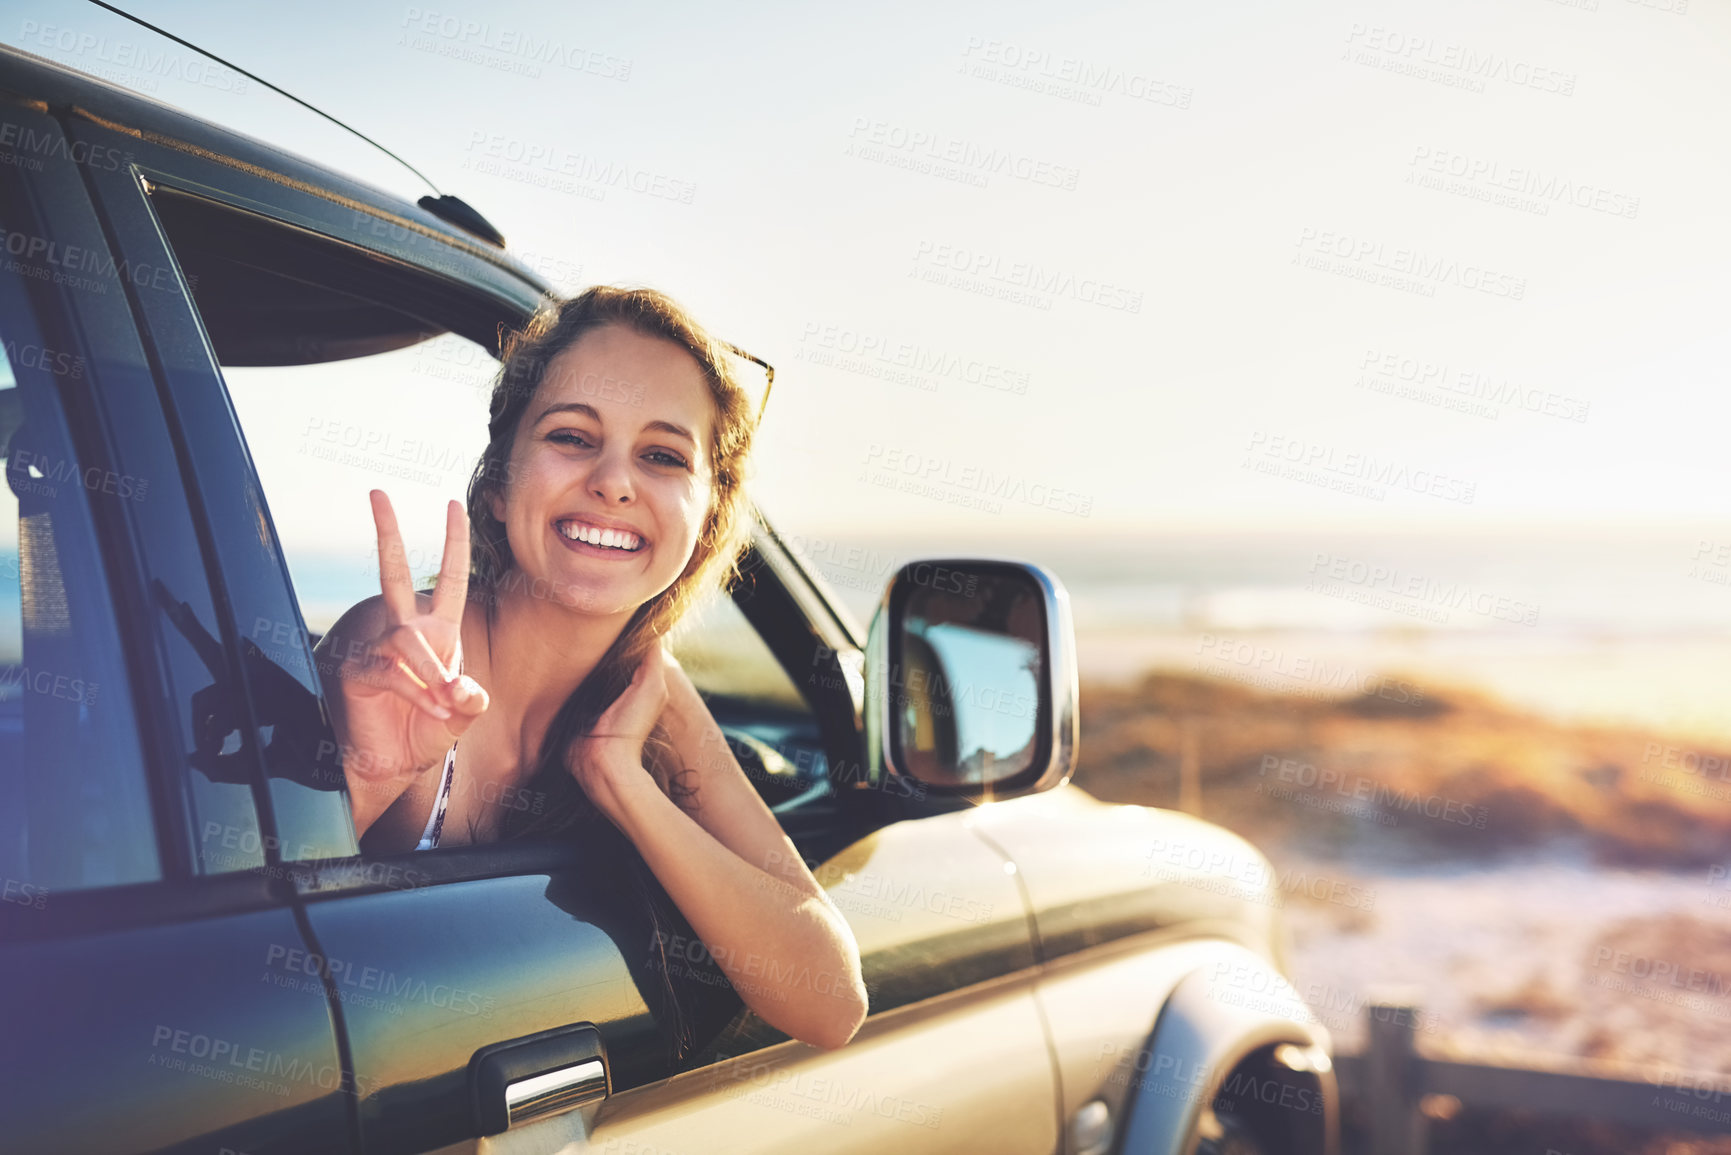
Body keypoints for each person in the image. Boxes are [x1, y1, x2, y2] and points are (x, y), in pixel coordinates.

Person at [311, 286, 866, 1055]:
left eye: (663, 454)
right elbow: (251, 946)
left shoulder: (650, 688)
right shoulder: (401, 648)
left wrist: (623, 781)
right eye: (573, 436)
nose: (614, 480)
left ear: (707, 520)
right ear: (500, 485)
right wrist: (371, 775)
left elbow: (830, 1002)